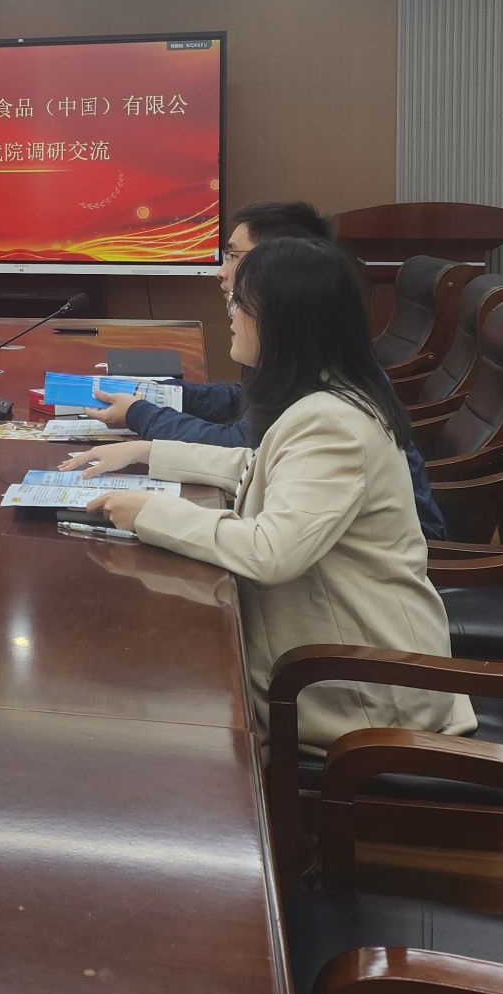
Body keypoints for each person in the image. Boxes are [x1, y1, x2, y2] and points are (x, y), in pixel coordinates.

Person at [67, 237, 475, 751]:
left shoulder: (331, 423)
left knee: (145, 706)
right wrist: (149, 452)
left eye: (241, 305)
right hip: (336, 654)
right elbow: (263, 468)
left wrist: (150, 512)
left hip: (361, 687)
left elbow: (270, 551)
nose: (231, 316)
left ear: (285, 322)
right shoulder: (328, 396)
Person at [87, 199, 447, 541]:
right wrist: (148, 442)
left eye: (233, 257)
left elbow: (269, 549)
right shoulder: (307, 359)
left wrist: (152, 511)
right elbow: (257, 459)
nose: (222, 273)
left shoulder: (330, 413)